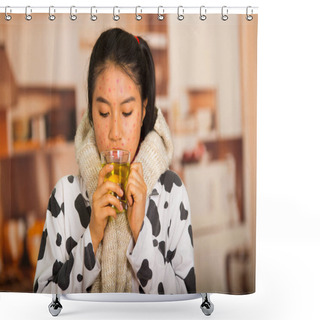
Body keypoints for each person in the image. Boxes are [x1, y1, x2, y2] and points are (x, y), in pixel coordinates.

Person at [33, 28, 196, 294]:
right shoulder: (64, 196)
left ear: (144, 110)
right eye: (104, 112)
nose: (115, 133)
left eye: (128, 111)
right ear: (90, 114)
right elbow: (40, 304)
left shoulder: (172, 193)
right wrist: (93, 235)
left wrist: (141, 231)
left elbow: (187, 302)